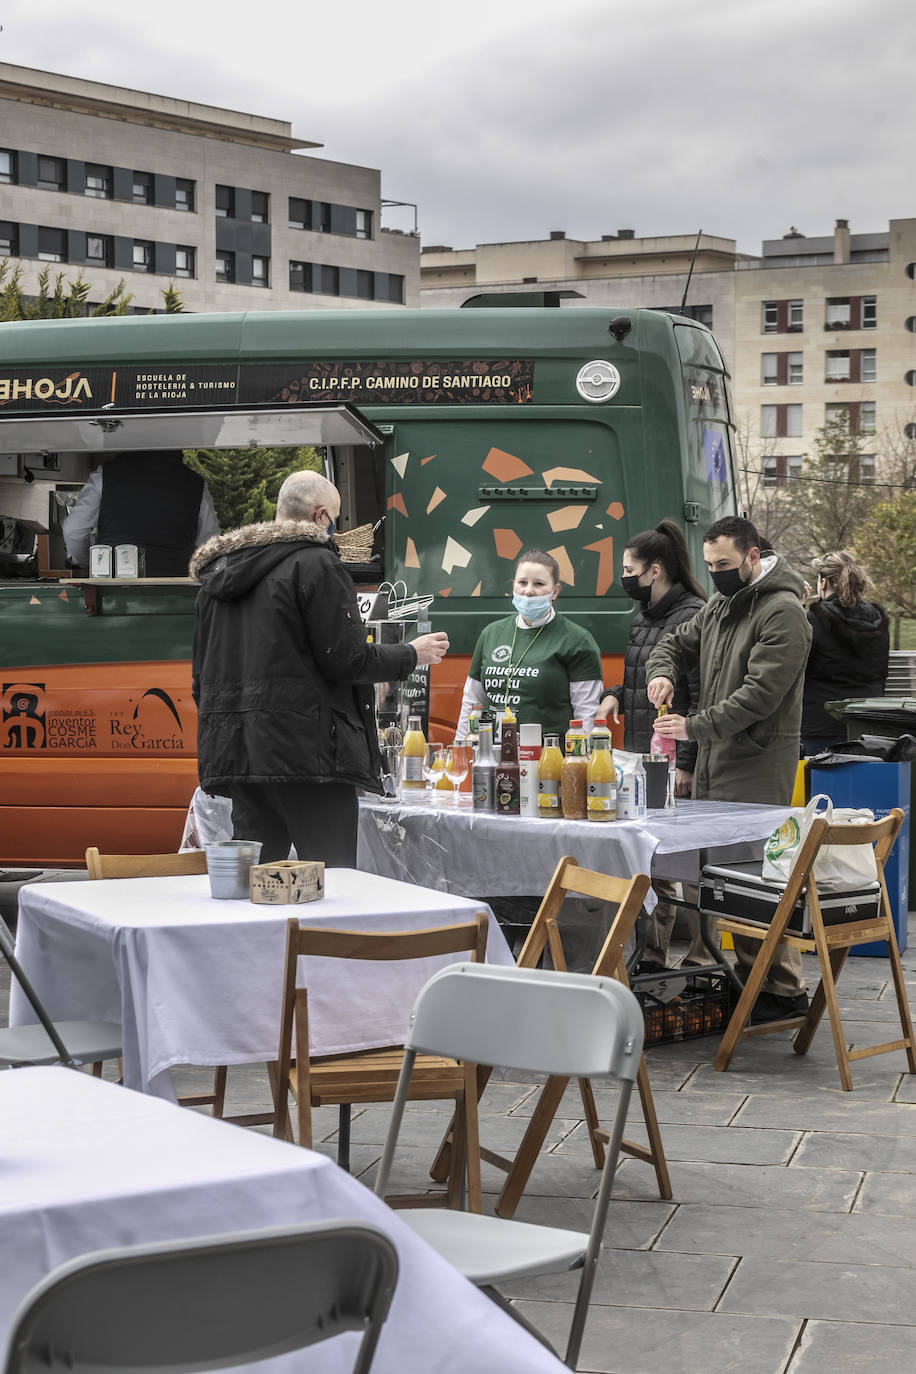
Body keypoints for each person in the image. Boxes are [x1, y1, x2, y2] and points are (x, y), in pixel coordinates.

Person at [191, 469, 448, 866]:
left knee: (259, 881)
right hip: (307, 757)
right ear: (321, 516)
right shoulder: (317, 564)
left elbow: (200, 680)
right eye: (337, 519)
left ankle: (269, 933)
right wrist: (411, 654)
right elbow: (347, 660)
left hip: (239, 754)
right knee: (333, 880)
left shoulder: (221, 576)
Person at [647, 515, 813, 1023]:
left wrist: (692, 727)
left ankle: (782, 989)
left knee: (756, 881)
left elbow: (759, 697)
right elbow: (675, 641)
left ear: (753, 557)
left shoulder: (783, 613)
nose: (714, 573)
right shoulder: (722, 604)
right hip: (718, 760)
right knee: (720, 877)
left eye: (724, 564)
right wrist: (661, 674)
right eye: (710, 563)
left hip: (758, 762)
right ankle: (744, 976)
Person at [599, 519, 706, 971]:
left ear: (655, 570)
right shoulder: (643, 618)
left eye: (628, 569)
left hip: (675, 759)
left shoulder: (694, 615)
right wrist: (613, 696)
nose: (624, 578)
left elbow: (698, 694)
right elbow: (638, 684)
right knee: (651, 859)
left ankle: (702, 956)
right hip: (643, 758)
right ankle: (654, 957)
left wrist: (685, 763)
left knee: (689, 862)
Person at [456, 549, 602, 741]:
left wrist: (583, 760)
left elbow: (586, 713)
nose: (528, 591)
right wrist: (460, 750)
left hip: (549, 758)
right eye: (522, 582)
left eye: (539, 584)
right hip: (489, 754)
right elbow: (471, 700)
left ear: (555, 591)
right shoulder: (491, 633)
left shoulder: (577, 640)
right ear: (513, 585)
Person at [63, 449, 220, 576]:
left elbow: (73, 529)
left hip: (113, 588)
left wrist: (86, 561)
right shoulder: (195, 483)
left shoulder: (105, 475)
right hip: (174, 586)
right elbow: (210, 544)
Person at [802, 552, 889, 756]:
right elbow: (881, 674)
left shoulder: (814, 620)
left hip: (818, 725)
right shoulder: (877, 620)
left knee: (818, 788)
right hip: (867, 724)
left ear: (823, 583)